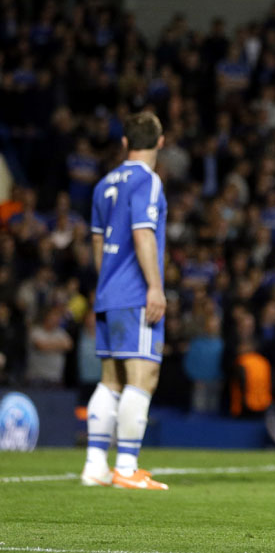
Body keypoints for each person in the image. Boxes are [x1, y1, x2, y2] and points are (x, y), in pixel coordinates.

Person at [80, 111, 169, 490]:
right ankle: (128, 468)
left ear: (124, 142)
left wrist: (107, 285)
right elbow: (143, 234)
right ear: (160, 143)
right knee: (143, 375)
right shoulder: (147, 180)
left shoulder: (104, 184)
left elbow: (98, 243)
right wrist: (154, 287)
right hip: (135, 293)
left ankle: (95, 466)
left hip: (108, 291)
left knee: (111, 379)